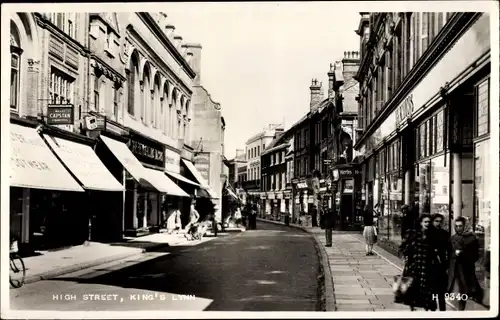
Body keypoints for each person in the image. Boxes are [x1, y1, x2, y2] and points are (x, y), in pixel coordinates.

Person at [399, 214, 439, 311]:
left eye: (429, 222)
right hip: (414, 266)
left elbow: (435, 250)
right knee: (412, 288)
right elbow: (402, 247)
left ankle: (427, 308)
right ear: (421, 223)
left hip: (427, 266)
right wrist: (404, 257)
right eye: (425, 222)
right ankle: (412, 308)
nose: (427, 224)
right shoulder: (412, 233)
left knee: (427, 290)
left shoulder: (432, 235)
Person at [447, 216, 483, 310]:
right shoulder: (452, 238)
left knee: (465, 290)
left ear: (464, 226)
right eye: (456, 226)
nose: (458, 228)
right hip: (454, 269)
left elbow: (475, 255)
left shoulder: (472, 238)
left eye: (460, 226)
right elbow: (449, 253)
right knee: (456, 291)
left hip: (465, 268)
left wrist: (463, 254)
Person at [430, 213, 451, 311]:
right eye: (436, 221)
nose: (438, 223)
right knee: (432, 291)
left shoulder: (445, 233)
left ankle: (443, 311)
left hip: (442, 265)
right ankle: (433, 310)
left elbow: (449, 249)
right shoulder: (428, 233)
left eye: (440, 221)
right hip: (431, 265)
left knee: (441, 292)